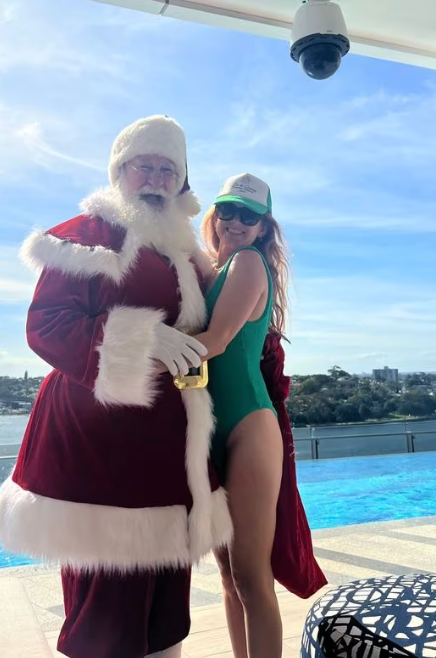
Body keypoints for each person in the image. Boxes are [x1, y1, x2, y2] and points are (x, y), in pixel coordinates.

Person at [0, 115, 233, 658]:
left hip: (170, 446)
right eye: (142, 165)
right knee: (106, 615)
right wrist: (144, 337)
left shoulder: (187, 253)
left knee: (164, 611)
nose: (155, 178)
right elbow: (47, 326)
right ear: (119, 172)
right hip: (99, 447)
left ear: (182, 182)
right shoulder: (87, 237)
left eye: (168, 169)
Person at [195, 173, 296, 658]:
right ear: (214, 215)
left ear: (262, 228)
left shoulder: (249, 262)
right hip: (209, 430)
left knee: (252, 576)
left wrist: (125, 352)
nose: (236, 222)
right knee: (228, 576)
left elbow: (213, 344)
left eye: (249, 215)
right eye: (228, 211)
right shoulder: (211, 271)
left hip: (247, 428)